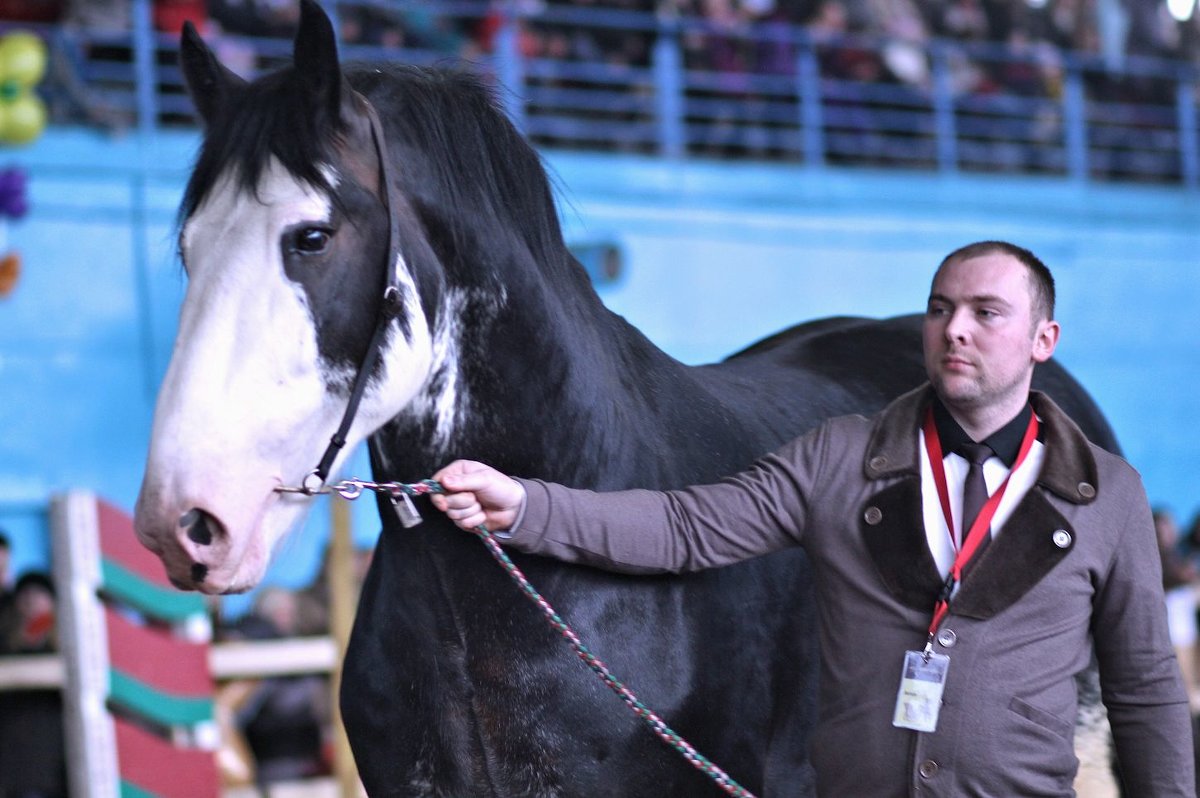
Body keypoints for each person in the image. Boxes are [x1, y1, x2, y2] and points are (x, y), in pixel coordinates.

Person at [431, 240, 1194, 796]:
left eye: (985, 312)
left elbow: (1146, 684)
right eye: (940, 309)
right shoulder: (838, 457)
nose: (954, 329)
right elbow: (684, 527)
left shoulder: (1109, 494)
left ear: (1042, 341)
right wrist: (528, 506)